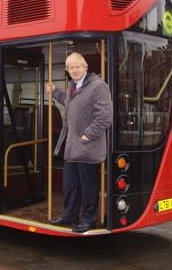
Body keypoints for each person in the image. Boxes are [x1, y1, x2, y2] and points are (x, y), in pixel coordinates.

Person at [46, 52, 113, 233]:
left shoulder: (99, 86)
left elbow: (105, 117)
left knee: (89, 187)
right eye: (71, 67)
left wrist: (87, 135)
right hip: (71, 148)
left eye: (77, 66)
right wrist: (55, 92)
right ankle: (69, 216)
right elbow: (69, 102)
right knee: (71, 185)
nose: (74, 70)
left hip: (87, 147)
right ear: (68, 71)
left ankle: (88, 220)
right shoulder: (73, 86)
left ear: (85, 67)